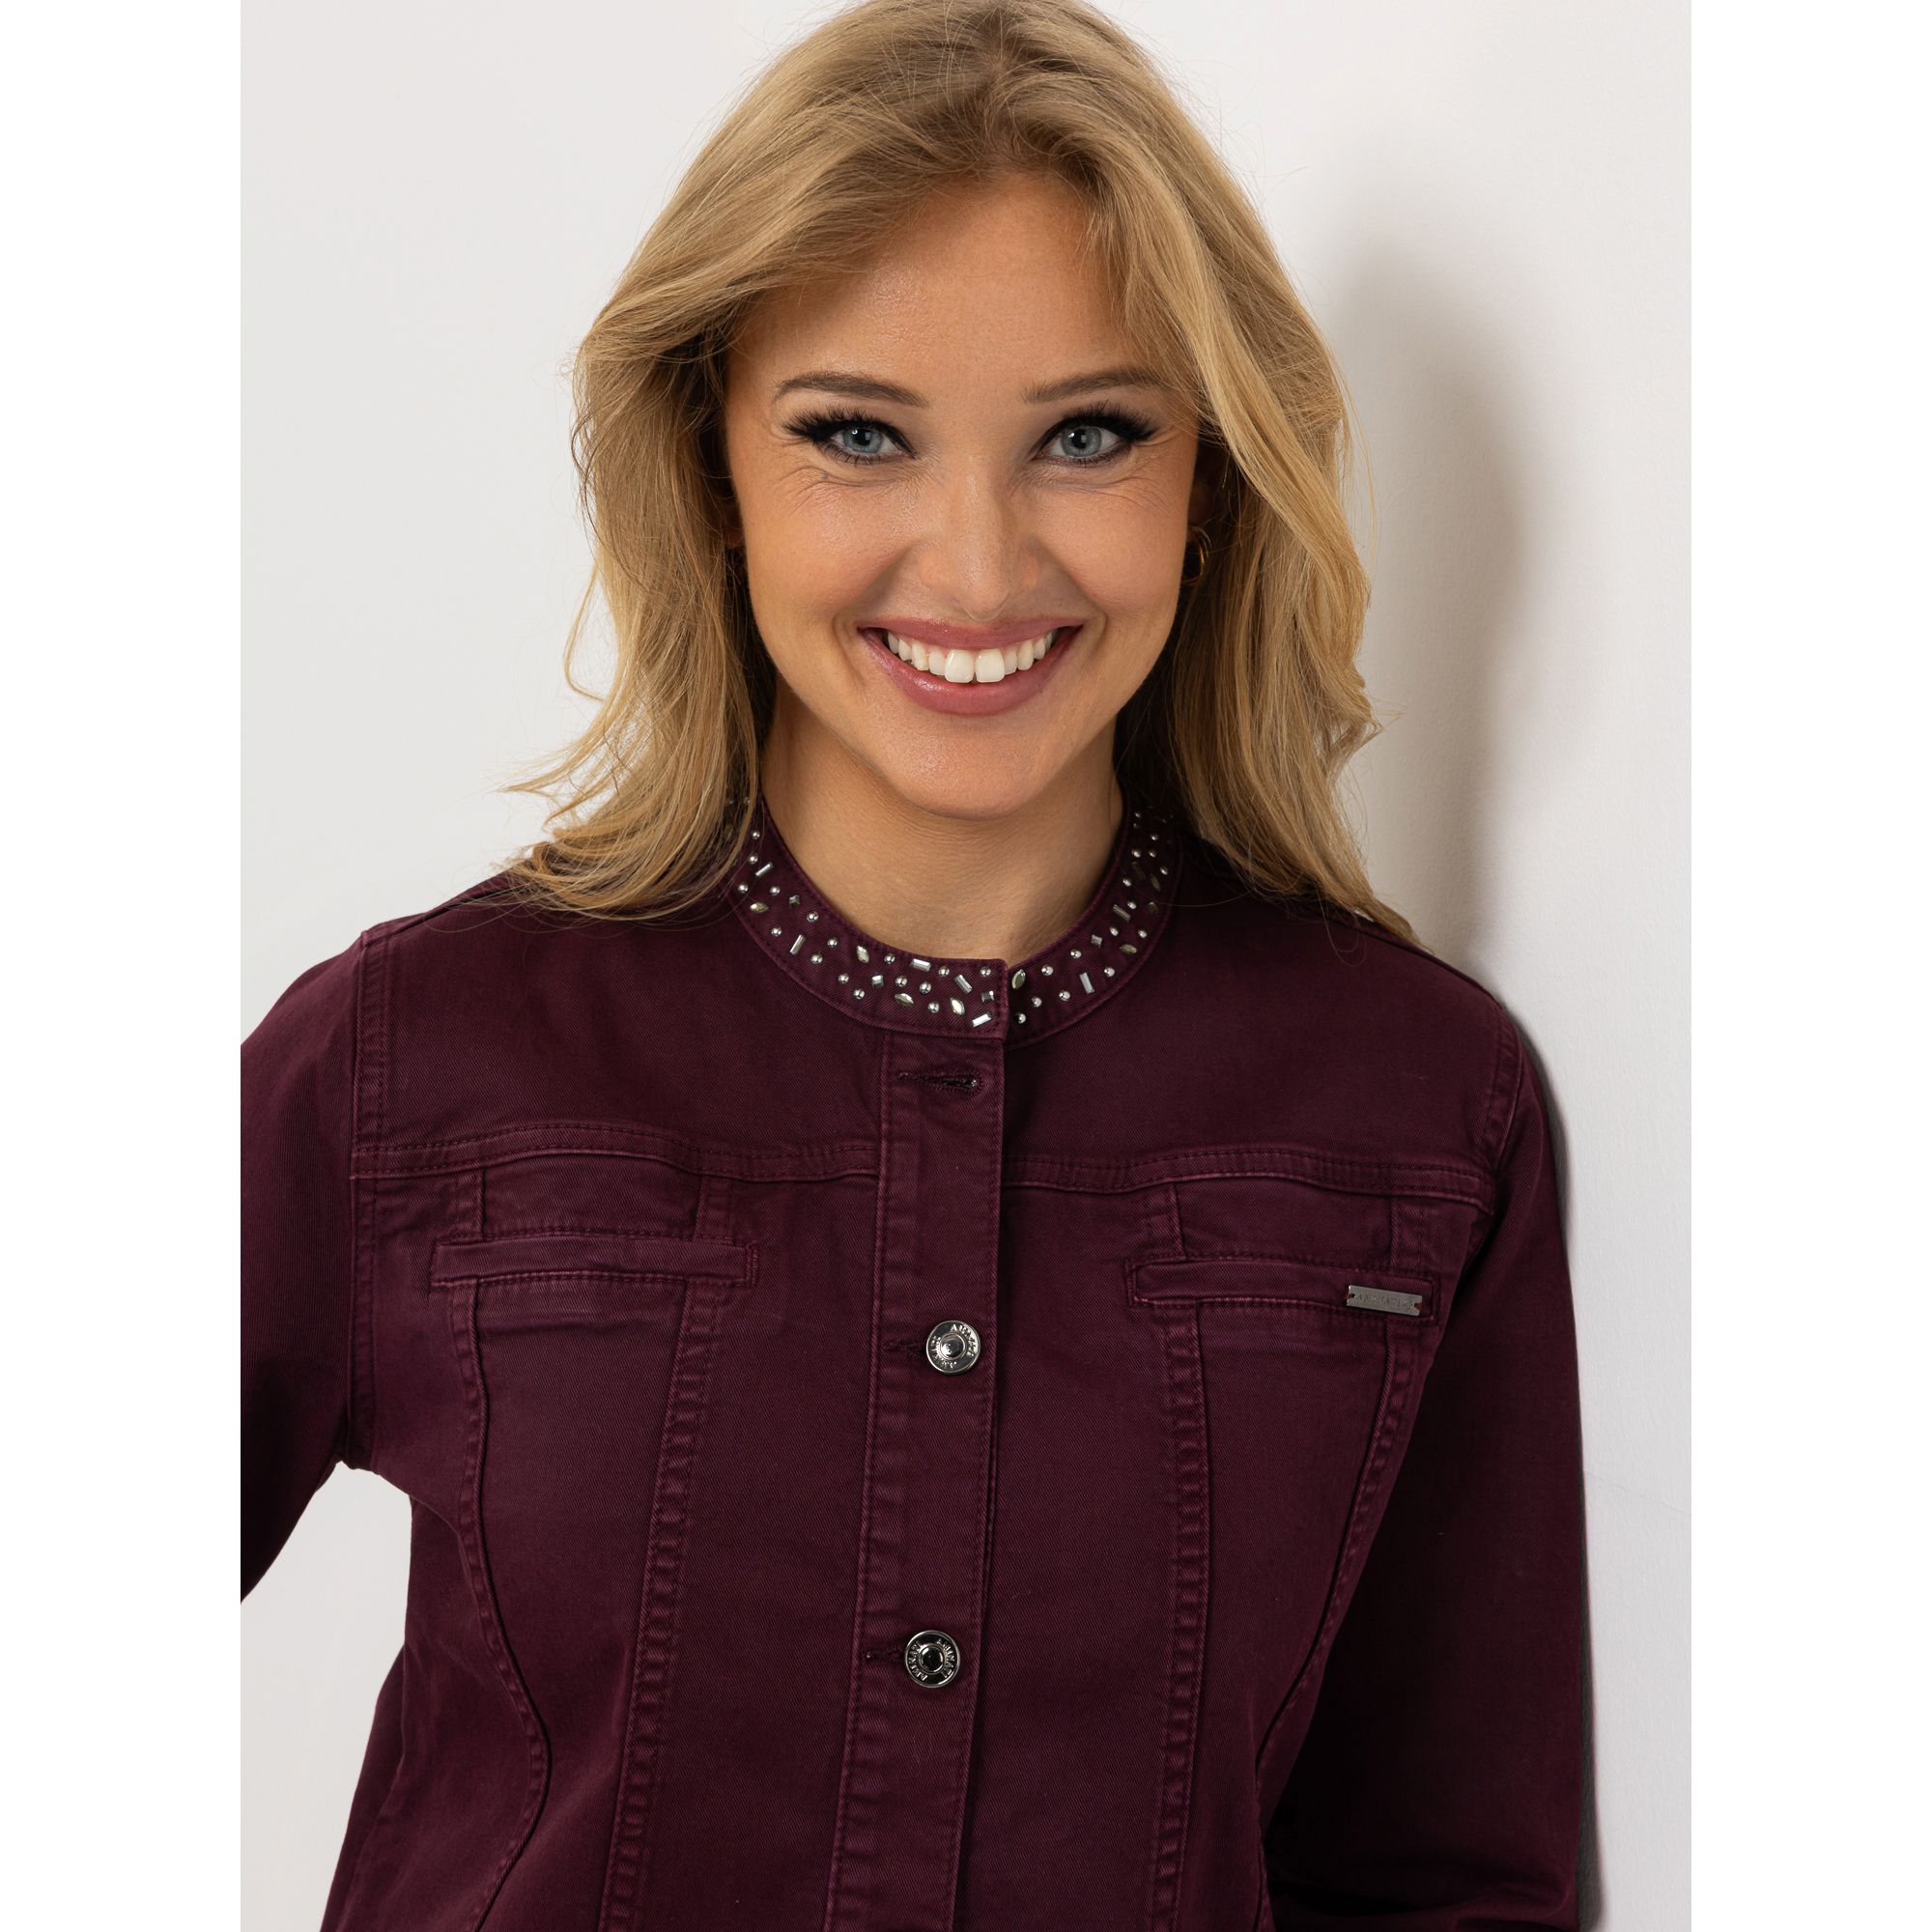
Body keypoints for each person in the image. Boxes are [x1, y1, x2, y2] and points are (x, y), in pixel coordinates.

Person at [241, 2, 1585, 1926]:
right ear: (708, 465)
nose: (973, 564)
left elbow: (1445, 1874)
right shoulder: (410, 1060)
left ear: (1211, 483)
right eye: (855, 436)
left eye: (1088, 436)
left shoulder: (1416, 1111)